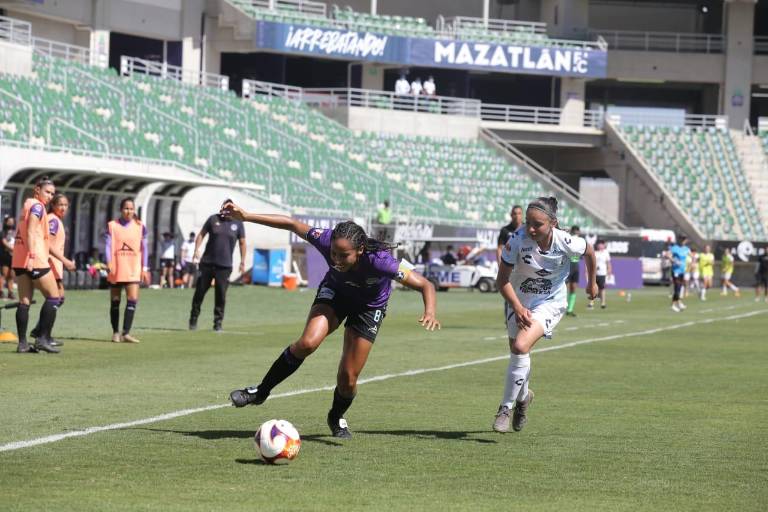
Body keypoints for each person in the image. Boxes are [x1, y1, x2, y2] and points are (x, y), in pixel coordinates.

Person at [225, 204, 440, 439]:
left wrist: (429, 311)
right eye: (334, 253)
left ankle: (336, 416)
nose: (336, 259)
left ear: (360, 250)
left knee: (348, 379)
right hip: (336, 293)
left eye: (343, 255)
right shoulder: (326, 240)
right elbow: (291, 223)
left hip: (369, 308)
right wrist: (246, 216)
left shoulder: (380, 261)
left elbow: (425, 284)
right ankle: (260, 391)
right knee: (307, 343)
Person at [493, 197, 597, 433]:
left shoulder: (565, 241)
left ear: (553, 223)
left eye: (537, 224)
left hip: (549, 302)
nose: (530, 229)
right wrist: (517, 306)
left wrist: (592, 283)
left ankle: (505, 409)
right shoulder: (517, 240)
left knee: (520, 346)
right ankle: (523, 400)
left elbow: (589, 252)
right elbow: (502, 281)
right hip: (518, 300)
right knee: (518, 352)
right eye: (528, 223)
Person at [11, 176, 62, 353]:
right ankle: (42, 339)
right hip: (35, 259)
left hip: (19, 259)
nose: (50, 196)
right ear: (37, 190)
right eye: (47, 192)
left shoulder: (27, 204)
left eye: (52, 194)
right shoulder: (38, 207)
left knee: (24, 302)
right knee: (54, 297)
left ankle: (23, 344)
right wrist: (32, 257)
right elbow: (31, 231)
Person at [188, 200, 246, 332]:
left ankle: (218, 323)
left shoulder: (238, 224)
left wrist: (242, 261)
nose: (227, 211)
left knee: (221, 295)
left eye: (230, 209)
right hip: (207, 264)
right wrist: (196, 249)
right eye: (225, 208)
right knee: (199, 292)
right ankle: (193, 319)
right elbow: (201, 234)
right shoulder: (213, 219)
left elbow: (242, 243)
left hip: (224, 266)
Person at [29, 193, 76, 347]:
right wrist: (65, 260)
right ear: (53, 205)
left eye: (66, 205)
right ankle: (43, 334)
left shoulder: (56, 220)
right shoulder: (53, 220)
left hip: (55, 264)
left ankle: (42, 332)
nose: (63, 208)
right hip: (50, 263)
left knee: (58, 299)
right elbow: (46, 243)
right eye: (60, 204)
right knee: (56, 298)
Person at [106, 198, 149, 343]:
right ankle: (115, 333)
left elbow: (145, 248)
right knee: (115, 301)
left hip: (133, 268)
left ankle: (126, 333)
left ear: (134, 210)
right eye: (126, 208)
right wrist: (109, 261)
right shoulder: (112, 225)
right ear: (121, 209)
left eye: (131, 209)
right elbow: (107, 245)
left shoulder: (140, 226)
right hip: (117, 267)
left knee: (132, 299)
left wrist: (145, 268)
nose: (128, 211)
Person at [588, 239, 612, 309]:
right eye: (599, 244)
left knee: (602, 288)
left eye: (602, 244)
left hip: (602, 273)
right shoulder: (594, 252)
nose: (601, 245)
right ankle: (591, 302)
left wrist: (609, 272)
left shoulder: (606, 253)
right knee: (593, 288)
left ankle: (603, 303)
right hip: (594, 273)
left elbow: (608, 263)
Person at [670, 236, 690, 312]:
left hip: (682, 271)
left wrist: (692, 262)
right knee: (677, 288)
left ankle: (678, 303)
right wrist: (674, 261)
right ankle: (674, 304)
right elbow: (667, 255)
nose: (683, 242)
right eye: (682, 240)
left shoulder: (686, 249)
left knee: (680, 288)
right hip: (676, 271)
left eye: (684, 240)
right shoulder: (674, 248)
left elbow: (692, 256)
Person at [565, 225, 581, 316]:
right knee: (565, 287)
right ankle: (563, 307)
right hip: (569, 263)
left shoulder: (579, 240)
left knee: (573, 287)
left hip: (575, 264)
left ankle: (570, 309)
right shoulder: (570, 238)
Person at [0, 216, 16, 299]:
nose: (11, 223)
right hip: (5, 256)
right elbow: (4, 242)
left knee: (12, 275)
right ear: (6, 222)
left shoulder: (15, 232)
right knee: (4, 274)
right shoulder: (3, 232)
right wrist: (13, 249)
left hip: (14, 256)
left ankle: (10, 292)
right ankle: (1, 292)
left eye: (12, 221)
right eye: (9, 221)